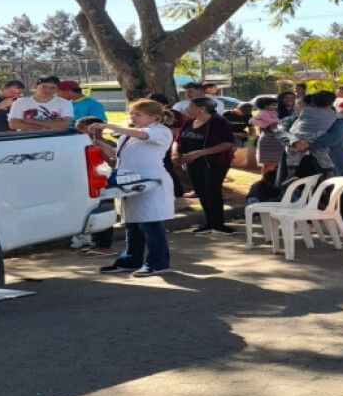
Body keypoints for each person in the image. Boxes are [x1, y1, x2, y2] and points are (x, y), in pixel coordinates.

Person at [82, 100, 175, 277]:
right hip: (129, 182)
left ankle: (158, 263)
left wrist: (108, 126)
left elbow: (143, 135)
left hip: (150, 181)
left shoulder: (160, 131)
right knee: (132, 225)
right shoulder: (127, 135)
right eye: (131, 113)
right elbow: (119, 158)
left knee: (150, 224)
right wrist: (102, 144)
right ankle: (131, 260)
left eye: (138, 114)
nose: (133, 117)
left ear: (155, 117)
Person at [276, 90, 343, 233]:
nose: (296, 107)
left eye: (300, 104)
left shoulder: (335, 120)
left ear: (311, 106)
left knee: (338, 192)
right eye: (297, 104)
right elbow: (281, 133)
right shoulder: (290, 120)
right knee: (304, 191)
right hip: (300, 163)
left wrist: (309, 145)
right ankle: (308, 223)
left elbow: (334, 137)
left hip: (329, 162)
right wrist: (294, 141)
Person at [174, 97, 237, 235]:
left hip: (214, 162)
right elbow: (178, 140)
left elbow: (228, 143)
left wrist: (200, 153)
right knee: (201, 191)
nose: (186, 109)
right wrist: (175, 152)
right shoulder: (188, 122)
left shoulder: (218, 122)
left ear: (202, 108)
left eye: (190, 106)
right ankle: (209, 223)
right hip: (193, 163)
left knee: (212, 191)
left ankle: (219, 224)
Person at [69, 116, 118, 257]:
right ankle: (95, 243)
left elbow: (112, 162)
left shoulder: (106, 143)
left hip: (101, 182)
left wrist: (99, 145)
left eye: (81, 127)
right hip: (85, 183)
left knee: (102, 210)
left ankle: (105, 245)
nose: (77, 130)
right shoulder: (77, 143)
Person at [8, 75, 73, 131]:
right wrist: (51, 125)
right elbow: (13, 124)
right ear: (35, 86)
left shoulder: (64, 103)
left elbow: (65, 124)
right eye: (44, 87)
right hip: (26, 138)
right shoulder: (20, 102)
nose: (48, 90)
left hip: (55, 138)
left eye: (53, 88)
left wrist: (33, 121)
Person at [252, 96, 282, 174]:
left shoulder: (273, 112)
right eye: (273, 105)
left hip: (275, 139)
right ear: (265, 106)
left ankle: (270, 178)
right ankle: (266, 178)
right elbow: (270, 121)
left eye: (276, 105)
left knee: (273, 163)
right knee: (268, 163)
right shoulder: (263, 113)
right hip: (268, 139)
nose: (275, 106)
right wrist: (280, 122)